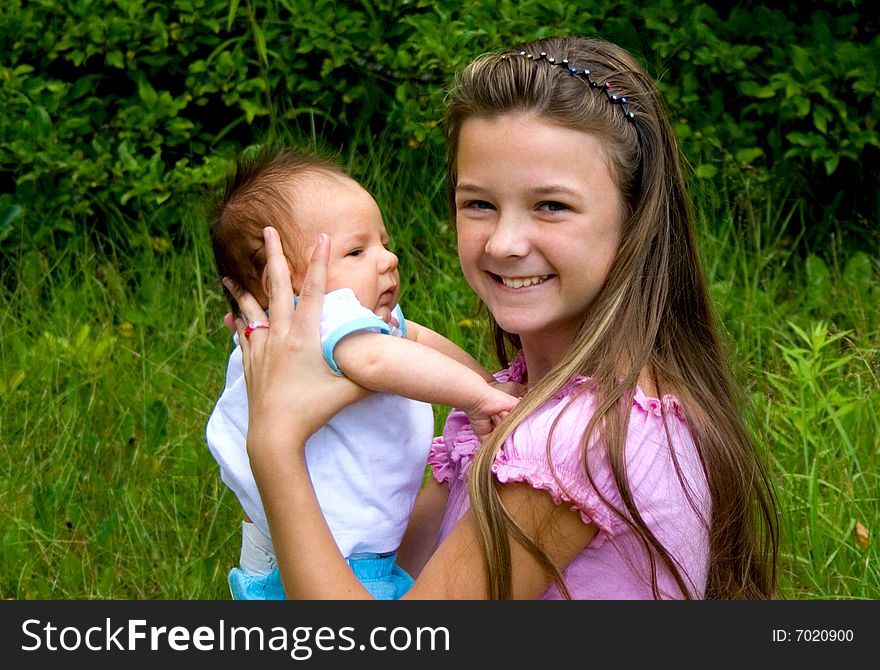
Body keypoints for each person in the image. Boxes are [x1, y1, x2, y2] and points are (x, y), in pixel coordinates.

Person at [225, 35, 779, 599]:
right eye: (479, 204)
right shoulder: (511, 400)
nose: (506, 243)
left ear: (638, 219)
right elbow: (401, 577)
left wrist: (274, 444)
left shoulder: (576, 443)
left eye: (551, 206)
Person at [205, 146, 520, 600]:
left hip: (334, 554)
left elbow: (413, 338)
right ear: (283, 281)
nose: (387, 259)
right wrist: (479, 397)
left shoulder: (330, 324)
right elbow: (379, 359)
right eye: (357, 250)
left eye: (383, 243)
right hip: (329, 563)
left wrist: (485, 379)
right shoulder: (319, 318)